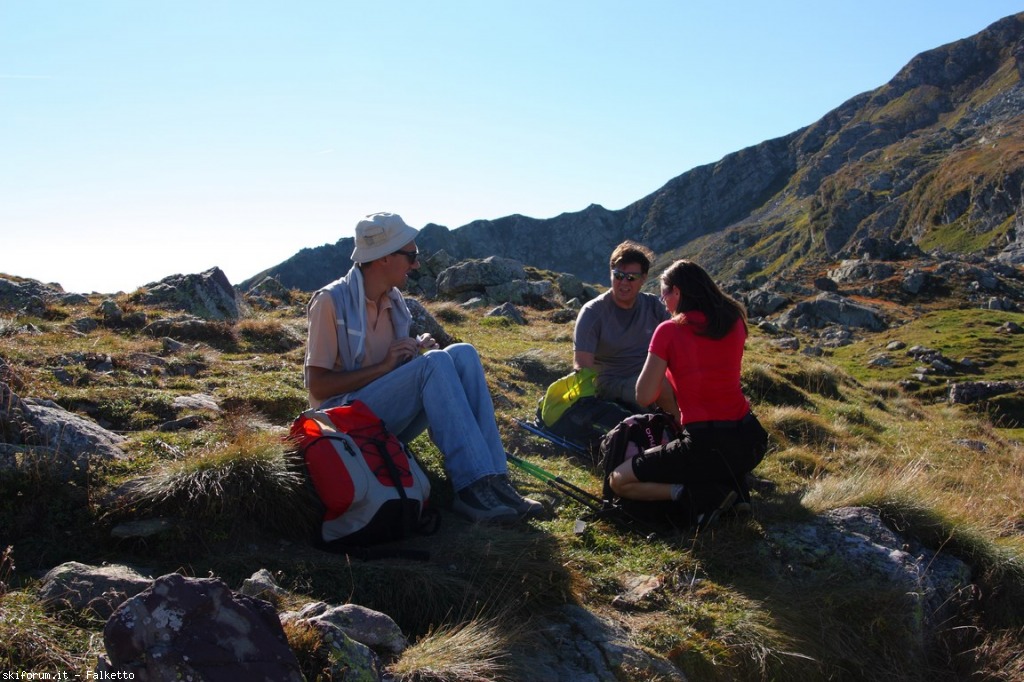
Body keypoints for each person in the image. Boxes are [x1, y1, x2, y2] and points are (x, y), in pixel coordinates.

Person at [304, 212, 543, 524]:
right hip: (344, 423)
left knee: (462, 353)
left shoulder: (394, 301)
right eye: (411, 255)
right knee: (435, 363)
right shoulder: (331, 301)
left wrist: (413, 353)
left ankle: (495, 479)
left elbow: (394, 372)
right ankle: (470, 487)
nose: (416, 264)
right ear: (384, 258)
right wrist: (386, 366)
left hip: (378, 414)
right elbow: (318, 387)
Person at [607, 259, 769, 514]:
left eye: (664, 296)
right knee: (713, 461)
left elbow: (644, 395)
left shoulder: (669, 331)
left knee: (618, 480)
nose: (665, 304)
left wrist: (656, 365)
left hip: (706, 443)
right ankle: (733, 490)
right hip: (751, 440)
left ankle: (695, 494)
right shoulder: (733, 319)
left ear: (678, 293)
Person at [573, 241, 676, 416]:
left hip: (649, 374)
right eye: (618, 275)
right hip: (611, 383)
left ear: (643, 278)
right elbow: (582, 366)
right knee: (661, 388)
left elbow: (680, 337)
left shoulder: (654, 306)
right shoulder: (593, 312)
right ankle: (685, 435)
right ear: (610, 274)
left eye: (631, 277)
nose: (624, 282)